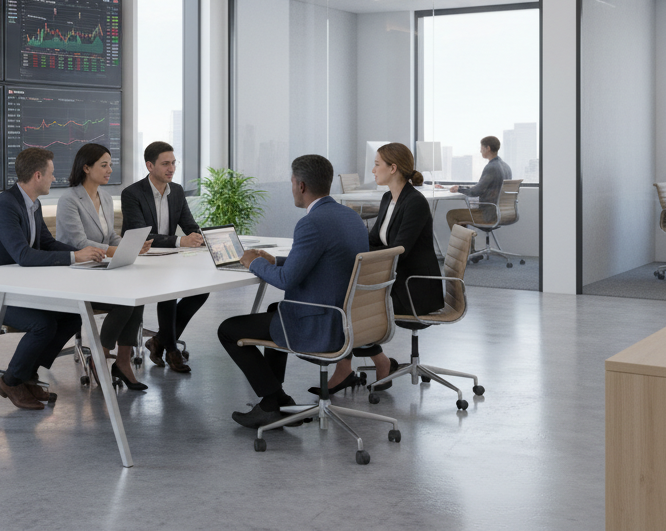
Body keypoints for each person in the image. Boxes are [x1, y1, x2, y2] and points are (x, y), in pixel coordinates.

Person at [216, 154, 369, 429]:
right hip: (350, 319)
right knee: (277, 311)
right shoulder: (350, 216)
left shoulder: (311, 223)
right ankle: (276, 400)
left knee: (228, 330)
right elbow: (324, 260)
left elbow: (286, 281)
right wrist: (274, 260)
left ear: (300, 185)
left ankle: (271, 400)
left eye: (291, 182)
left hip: (323, 325)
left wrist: (254, 262)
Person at [0, 147, 107, 411]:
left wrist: (83, 254)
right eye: (52, 174)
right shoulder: (5, 205)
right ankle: (10, 381)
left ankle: (26, 374)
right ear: (38, 175)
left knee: (72, 314)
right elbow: (24, 255)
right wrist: (75, 258)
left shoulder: (32, 204)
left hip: (15, 290)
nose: (55, 179)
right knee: (43, 325)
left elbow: (47, 243)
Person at [312, 143, 444, 396]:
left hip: (413, 287)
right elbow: (374, 241)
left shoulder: (414, 202)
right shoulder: (388, 198)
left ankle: (352, 368)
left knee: (349, 304)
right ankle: (377, 363)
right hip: (396, 279)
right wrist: (345, 250)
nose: (373, 170)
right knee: (345, 298)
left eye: (377, 164)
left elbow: (399, 251)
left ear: (393, 168)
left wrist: (362, 263)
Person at [55, 143, 151, 391]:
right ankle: (101, 356)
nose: (110, 169)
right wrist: (116, 250)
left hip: (101, 270)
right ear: (86, 168)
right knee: (123, 300)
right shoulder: (69, 199)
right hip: (77, 271)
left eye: (111, 164)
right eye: (104, 165)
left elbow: (111, 239)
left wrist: (132, 245)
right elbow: (78, 242)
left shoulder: (106, 198)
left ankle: (122, 362)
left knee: (136, 297)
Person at [121, 141, 206, 373]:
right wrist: (180, 241)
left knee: (202, 290)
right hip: (142, 260)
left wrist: (200, 238)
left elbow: (190, 225)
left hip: (169, 258)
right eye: (165, 164)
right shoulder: (132, 194)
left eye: (173, 163)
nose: (171, 168)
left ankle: (159, 340)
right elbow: (142, 235)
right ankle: (171, 350)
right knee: (168, 294)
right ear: (150, 165)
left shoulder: (176, 191)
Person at [445, 136, 512, 231]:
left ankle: (466, 245)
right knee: (460, 216)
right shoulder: (506, 167)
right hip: (502, 213)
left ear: (487, 148)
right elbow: (483, 188)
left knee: (452, 215)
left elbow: (476, 192)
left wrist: (459, 189)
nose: (480, 151)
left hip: (488, 215)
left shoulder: (491, 167)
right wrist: (461, 187)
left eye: (481, 148)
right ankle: (467, 244)